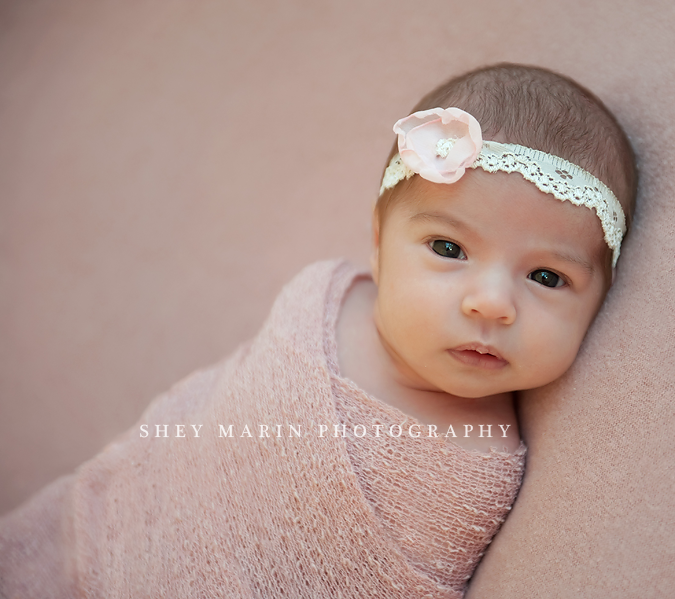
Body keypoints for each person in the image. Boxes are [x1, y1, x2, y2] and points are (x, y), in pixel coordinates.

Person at [0, 63, 636, 598]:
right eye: (448, 247)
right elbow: (215, 410)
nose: (492, 303)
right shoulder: (324, 298)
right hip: (106, 532)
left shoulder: (478, 471)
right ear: (380, 248)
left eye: (547, 278)